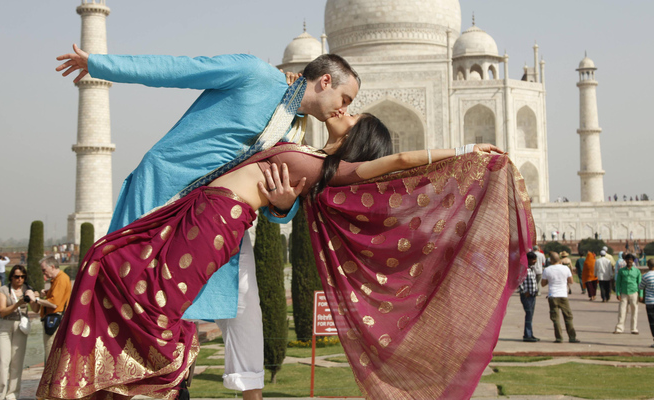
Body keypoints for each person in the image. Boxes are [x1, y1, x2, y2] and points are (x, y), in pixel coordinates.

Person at [38, 110, 528, 400]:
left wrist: (467, 149)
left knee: (139, 294)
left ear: (357, 139)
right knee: (109, 260)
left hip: (216, 222)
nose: (346, 109)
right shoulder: (302, 152)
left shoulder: (335, 170)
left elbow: (400, 161)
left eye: (353, 113)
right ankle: (129, 374)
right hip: (201, 211)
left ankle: (146, 376)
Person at [55, 46, 360, 399]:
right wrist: (97, 64)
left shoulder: (293, 134)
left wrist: (283, 205)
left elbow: (277, 205)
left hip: (215, 219)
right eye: (345, 97)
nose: (344, 108)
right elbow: (176, 68)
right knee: (130, 298)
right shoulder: (254, 75)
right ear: (325, 80)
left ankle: (231, 392)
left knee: (242, 301)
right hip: (162, 193)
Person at [0, 265, 36, 400]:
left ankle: (12, 394)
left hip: (20, 326)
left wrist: (34, 297)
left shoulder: (27, 289)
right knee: (3, 361)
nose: (20, 279)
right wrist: (18, 303)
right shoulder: (4, 290)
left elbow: (35, 309)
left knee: (17, 362)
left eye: (23, 277)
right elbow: (2, 311)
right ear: (11, 277)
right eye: (17, 276)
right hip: (5, 325)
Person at [31, 257, 71, 362]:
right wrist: (48, 292)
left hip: (54, 320)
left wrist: (36, 300)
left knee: (51, 355)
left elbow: (54, 304)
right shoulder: (58, 279)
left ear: (52, 267)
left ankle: (51, 378)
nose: (43, 273)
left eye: (44, 270)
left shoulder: (61, 279)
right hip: (55, 319)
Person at [541, 252, 579, 343]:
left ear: (551, 260)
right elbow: (571, 281)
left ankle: (559, 338)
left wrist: (550, 280)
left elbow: (542, 284)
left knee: (555, 318)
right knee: (568, 317)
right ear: (559, 259)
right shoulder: (565, 268)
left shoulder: (547, 270)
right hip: (563, 295)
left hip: (553, 295)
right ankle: (572, 337)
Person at [614, 253, 642, 334]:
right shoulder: (621, 271)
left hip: (634, 292)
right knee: (622, 311)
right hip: (624, 293)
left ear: (633, 261)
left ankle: (634, 329)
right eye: (627, 259)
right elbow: (618, 283)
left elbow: (639, 283)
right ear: (625, 261)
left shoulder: (637, 271)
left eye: (630, 259)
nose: (629, 261)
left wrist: (641, 294)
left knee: (634, 311)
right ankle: (619, 328)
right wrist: (618, 293)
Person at [519, 252, 540, 342]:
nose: (535, 261)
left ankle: (529, 334)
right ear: (529, 260)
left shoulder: (531, 269)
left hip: (532, 295)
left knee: (530, 315)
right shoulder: (523, 269)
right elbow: (519, 280)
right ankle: (527, 335)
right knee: (529, 315)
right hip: (527, 296)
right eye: (534, 259)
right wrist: (524, 291)